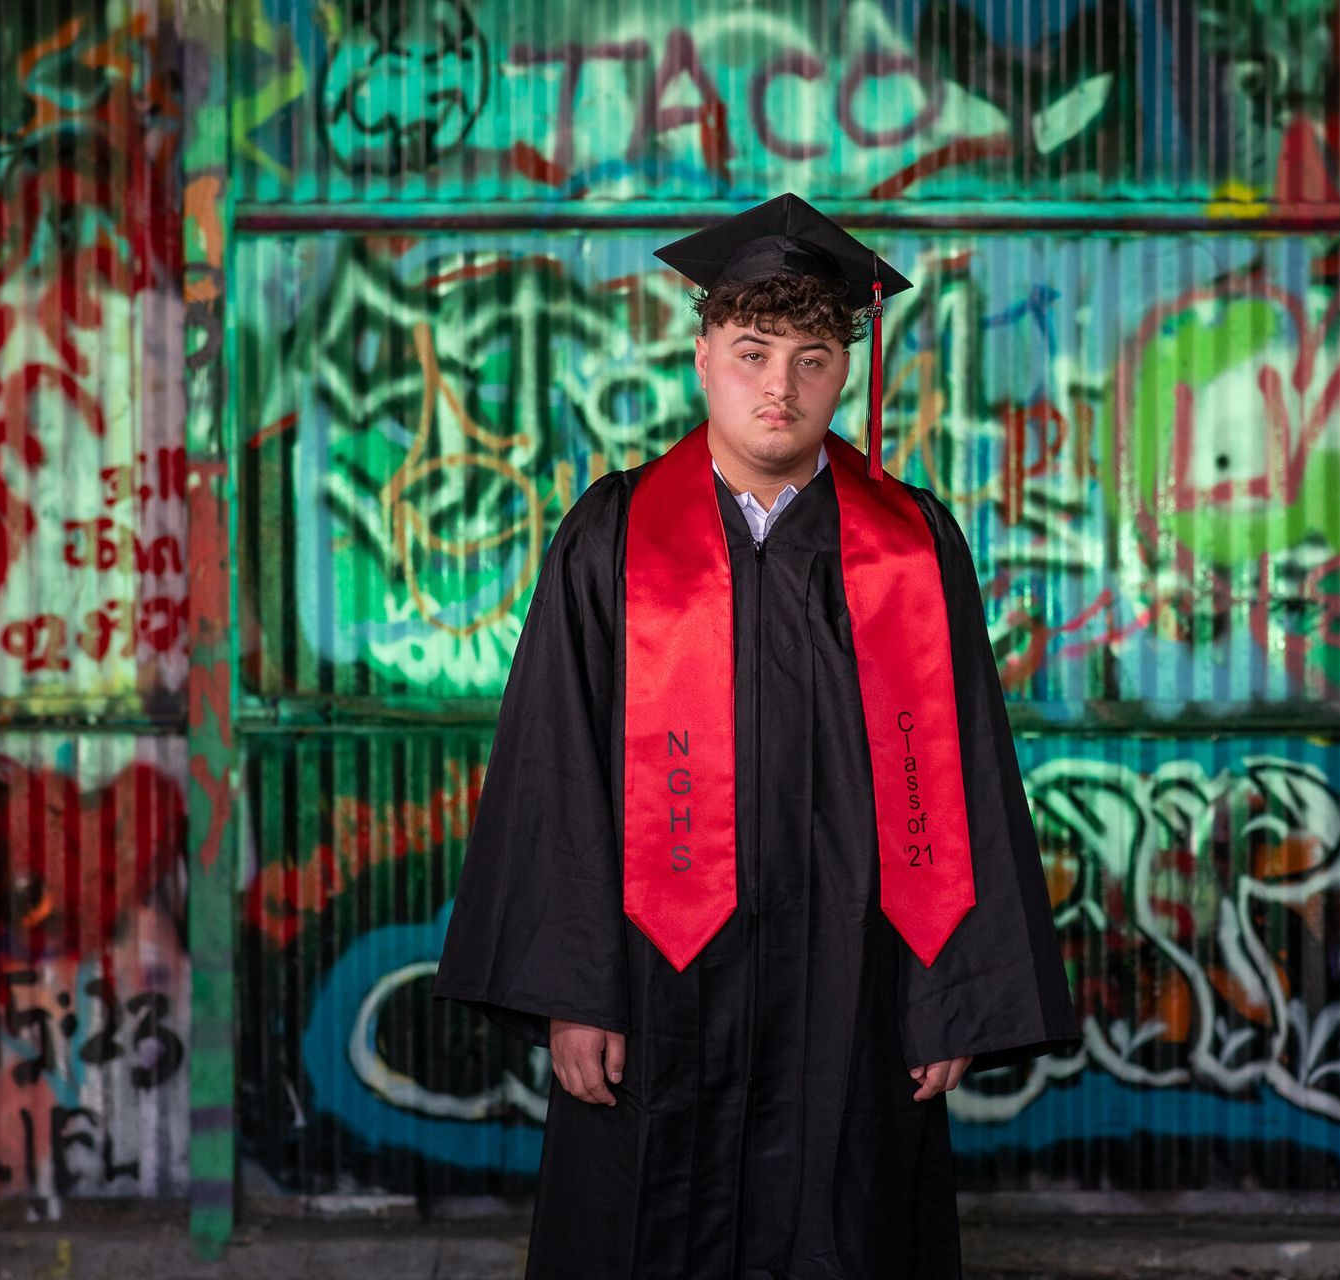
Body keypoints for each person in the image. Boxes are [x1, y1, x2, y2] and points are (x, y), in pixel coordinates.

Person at [434, 193, 1077, 1279]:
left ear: (844, 370)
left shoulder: (912, 548)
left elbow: (961, 774)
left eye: (812, 356)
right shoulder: (617, 535)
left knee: (848, 1220)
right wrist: (576, 992)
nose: (780, 386)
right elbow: (557, 770)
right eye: (751, 350)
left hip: (859, 990)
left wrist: (946, 992)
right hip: (657, 984)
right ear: (701, 357)